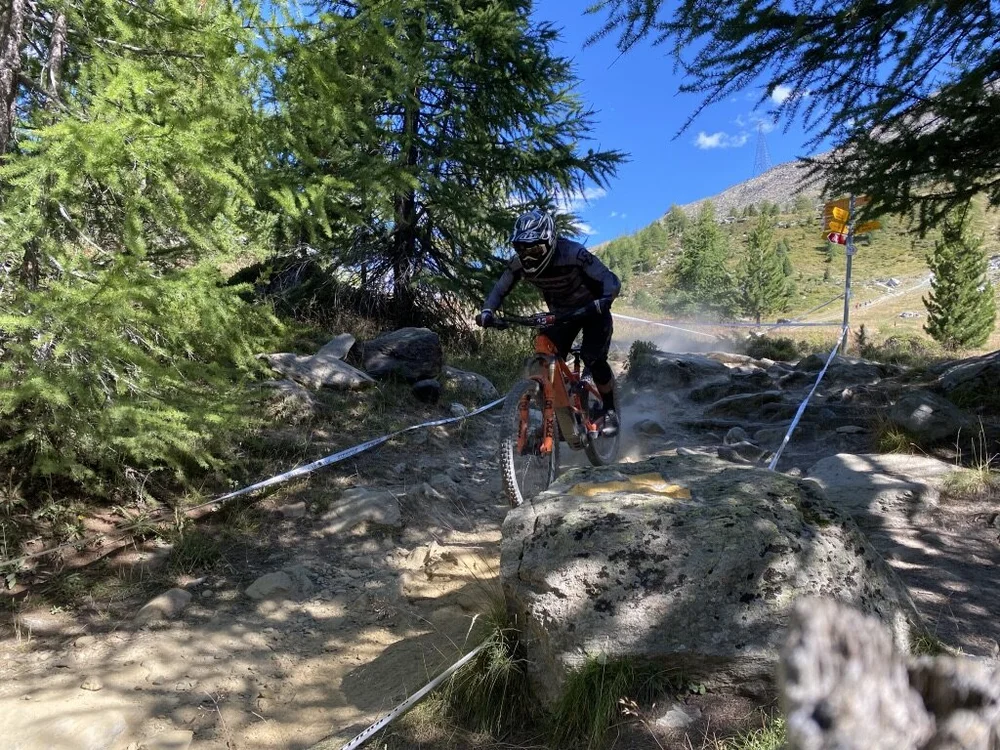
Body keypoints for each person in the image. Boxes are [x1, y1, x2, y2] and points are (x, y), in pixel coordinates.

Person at [476, 209, 621, 436]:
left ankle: (610, 410)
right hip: (562, 315)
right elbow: (500, 288)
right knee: (545, 355)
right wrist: (487, 311)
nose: (528, 256)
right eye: (521, 249)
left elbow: (610, 280)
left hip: (592, 310)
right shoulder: (519, 264)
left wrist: (605, 299)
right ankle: (559, 417)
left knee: (593, 357)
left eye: (534, 249)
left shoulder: (574, 253)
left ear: (550, 241)